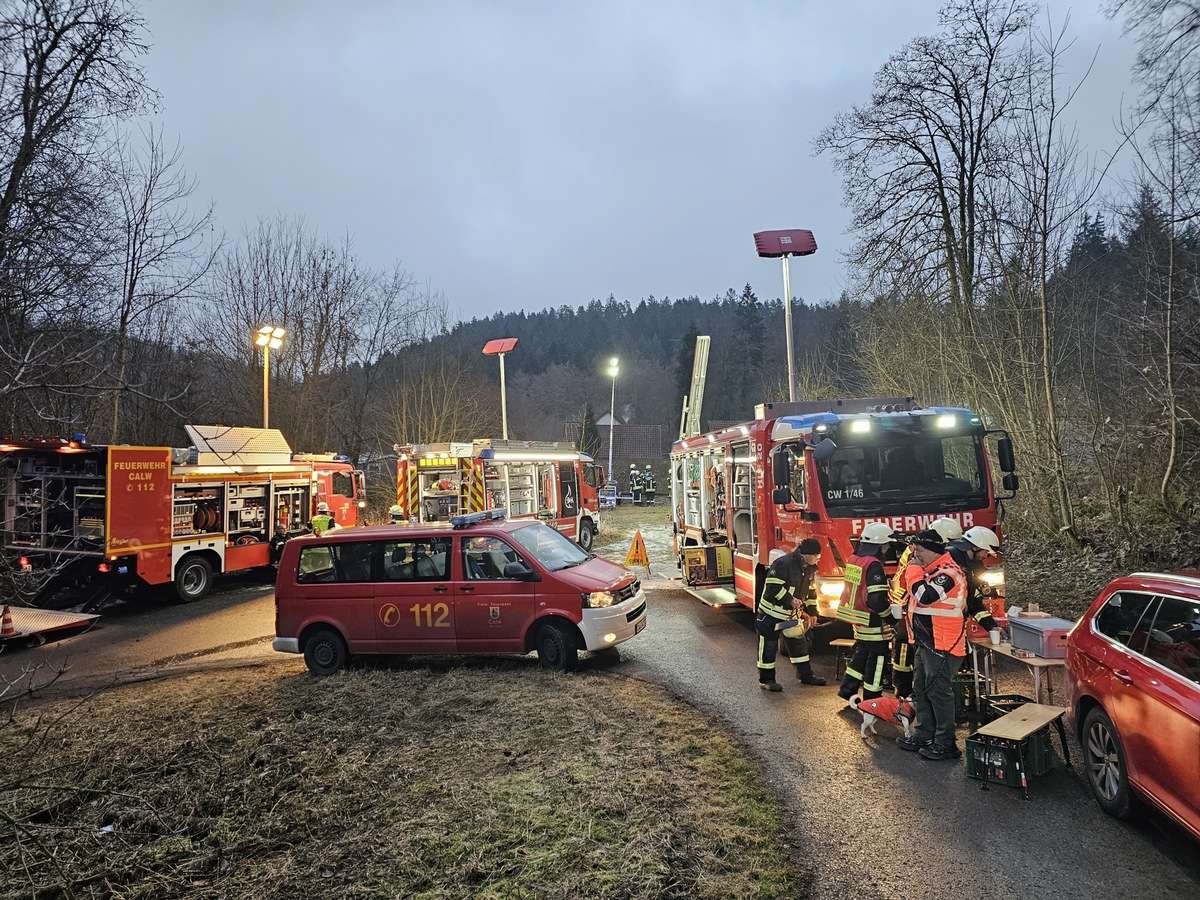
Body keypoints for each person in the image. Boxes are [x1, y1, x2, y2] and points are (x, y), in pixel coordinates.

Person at [897, 525, 1001, 761]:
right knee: (921, 690)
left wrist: (912, 571)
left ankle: (946, 743)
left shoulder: (948, 572)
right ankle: (924, 734)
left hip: (943, 644)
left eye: (920, 551)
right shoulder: (932, 569)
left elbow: (924, 596)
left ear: (932, 551)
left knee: (939, 693)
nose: (916, 556)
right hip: (927, 642)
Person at [888, 517, 964, 697]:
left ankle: (906, 691)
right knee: (904, 649)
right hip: (908, 601)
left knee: (924, 676)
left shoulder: (930, 555)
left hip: (918, 610)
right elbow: (921, 590)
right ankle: (902, 688)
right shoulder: (917, 553)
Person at [756, 539, 829, 691]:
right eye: (816, 556)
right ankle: (767, 680)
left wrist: (813, 612)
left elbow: (810, 592)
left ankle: (806, 676)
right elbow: (772, 588)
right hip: (771, 614)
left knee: (799, 645)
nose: (818, 559)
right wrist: (790, 600)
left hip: (791, 615)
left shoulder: (809, 568)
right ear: (806, 555)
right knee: (768, 647)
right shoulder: (783, 564)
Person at [836, 522, 897, 701]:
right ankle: (873, 698)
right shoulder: (874, 564)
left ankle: (847, 689)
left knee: (861, 653)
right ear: (881, 546)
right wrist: (890, 617)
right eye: (886, 545)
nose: (887, 550)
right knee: (877, 659)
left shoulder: (854, 559)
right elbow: (876, 600)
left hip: (856, 616)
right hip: (871, 619)